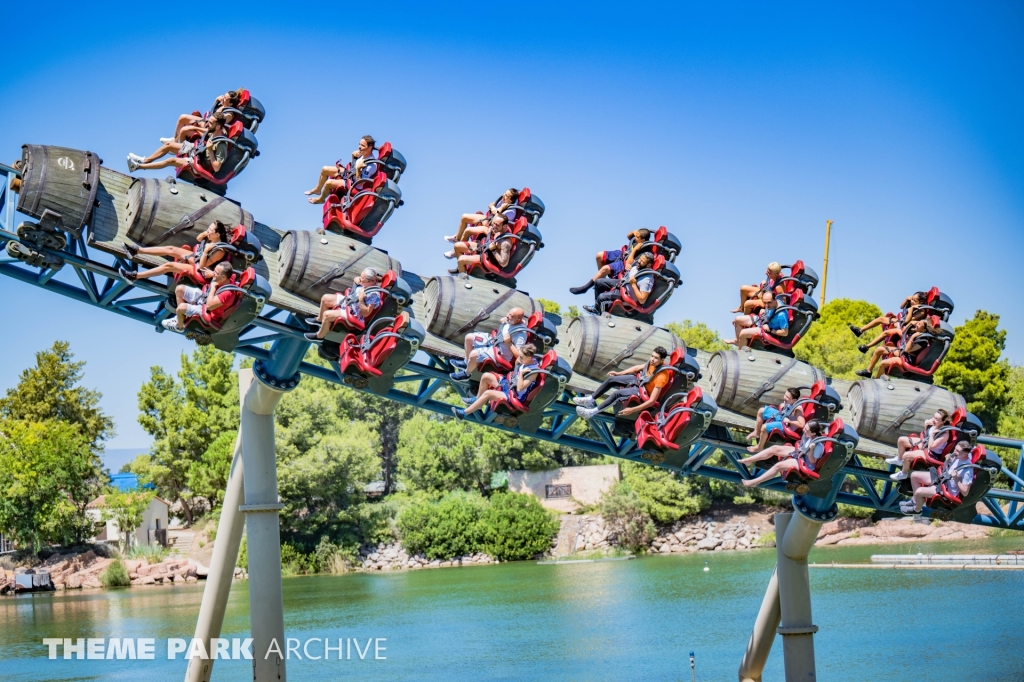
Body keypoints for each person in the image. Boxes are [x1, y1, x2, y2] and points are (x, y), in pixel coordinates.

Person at [574, 347, 671, 419]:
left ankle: (591, 413)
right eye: (652, 356)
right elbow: (637, 368)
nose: (652, 359)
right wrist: (618, 373)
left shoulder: (662, 376)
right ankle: (590, 399)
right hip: (638, 381)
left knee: (617, 394)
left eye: (656, 358)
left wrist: (632, 409)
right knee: (612, 379)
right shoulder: (652, 362)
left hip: (641, 391)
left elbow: (652, 401)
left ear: (662, 360)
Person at [119, 221, 230, 283]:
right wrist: (205, 233)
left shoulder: (219, 250)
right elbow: (199, 239)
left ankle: (135, 277)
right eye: (208, 228)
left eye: (211, 230)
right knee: (171, 249)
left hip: (200, 269)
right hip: (197, 257)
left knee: (169, 265)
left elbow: (202, 266)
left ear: (217, 234)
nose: (208, 231)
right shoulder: (211, 237)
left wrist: (206, 251)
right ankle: (136, 251)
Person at [451, 344, 540, 419]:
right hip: (509, 384)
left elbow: (520, 388)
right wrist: (518, 365)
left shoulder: (533, 372)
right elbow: (517, 365)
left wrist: (521, 374)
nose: (519, 358)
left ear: (529, 358)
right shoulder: (528, 360)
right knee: (486, 376)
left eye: (521, 357)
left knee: (488, 393)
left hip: (514, 395)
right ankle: (477, 400)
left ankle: (463, 414)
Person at [128, 114, 231, 175]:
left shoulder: (222, 144)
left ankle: (137, 167)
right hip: (196, 149)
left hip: (198, 162)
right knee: (168, 145)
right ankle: (144, 160)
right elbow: (206, 131)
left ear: (218, 127)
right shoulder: (215, 131)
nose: (208, 124)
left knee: (170, 160)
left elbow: (217, 168)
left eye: (211, 123)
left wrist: (210, 151)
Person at [450, 308, 528, 381]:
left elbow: (520, 356)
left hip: (500, 352)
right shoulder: (513, 320)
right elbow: (508, 321)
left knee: (474, 354)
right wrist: (505, 321)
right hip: (494, 340)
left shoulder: (520, 335)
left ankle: (466, 374)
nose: (508, 316)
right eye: (509, 313)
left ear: (518, 319)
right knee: (469, 337)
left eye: (511, 316)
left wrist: (509, 343)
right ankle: (466, 363)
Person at [305, 267, 383, 341]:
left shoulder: (374, 294)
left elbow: (366, 313)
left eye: (362, 278)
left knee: (327, 314)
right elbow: (357, 284)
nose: (360, 279)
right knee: (325, 298)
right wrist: (356, 279)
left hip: (353, 313)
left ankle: (319, 336)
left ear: (370, 281)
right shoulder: (366, 284)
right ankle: (319, 320)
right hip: (349, 302)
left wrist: (361, 299)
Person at [740, 421, 825, 487]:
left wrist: (812, 449)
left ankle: (754, 482)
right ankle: (749, 460)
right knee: (774, 448)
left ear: (814, 433)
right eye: (805, 428)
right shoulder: (807, 435)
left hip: (806, 462)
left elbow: (812, 461)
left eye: (807, 430)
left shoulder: (818, 446)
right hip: (801, 452)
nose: (804, 430)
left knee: (778, 466)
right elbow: (802, 445)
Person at [899, 440, 975, 514]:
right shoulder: (958, 457)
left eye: (958, 451)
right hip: (942, 477)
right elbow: (952, 467)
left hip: (945, 488)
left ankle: (916, 510)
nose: (955, 452)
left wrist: (956, 479)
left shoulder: (967, 471)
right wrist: (949, 461)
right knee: (914, 475)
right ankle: (915, 501)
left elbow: (965, 493)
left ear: (965, 454)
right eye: (955, 449)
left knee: (919, 491)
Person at [161, 262, 239, 332]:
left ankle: (179, 327)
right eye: (214, 271)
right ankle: (180, 318)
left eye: (216, 273)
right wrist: (213, 273)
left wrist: (213, 286)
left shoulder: (227, 294)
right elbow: (226, 271)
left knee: (180, 308)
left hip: (208, 311)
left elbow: (209, 306)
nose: (213, 273)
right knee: (179, 289)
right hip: (205, 296)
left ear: (223, 277)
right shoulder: (229, 276)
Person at [569, 229, 651, 295]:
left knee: (605, 269)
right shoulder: (636, 238)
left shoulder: (644, 252)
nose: (635, 237)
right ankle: (601, 281)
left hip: (624, 263)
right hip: (621, 254)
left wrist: (635, 249)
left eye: (637, 237)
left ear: (642, 240)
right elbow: (629, 236)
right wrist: (633, 232)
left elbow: (628, 263)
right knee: (599, 255)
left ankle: (586, 288)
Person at [305, 135, 379, 205]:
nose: (359, 147)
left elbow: (360, 183)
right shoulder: (362, 154)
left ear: (369, 148)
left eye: (362, 146)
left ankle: (321, 199)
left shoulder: (371, 166)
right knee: (325, 169)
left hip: (352, 184)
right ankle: (317, 189)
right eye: (359, 144)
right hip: (349, 174)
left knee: (328, 183)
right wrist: (353, 157)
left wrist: (358, 169)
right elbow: (353, 166)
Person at [854, 317, 935, 378]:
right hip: (902, 352)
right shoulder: (916, 331)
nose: (917, 324)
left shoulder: (923, 341)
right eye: (918, 322)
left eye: (919, 324)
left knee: (883, 363)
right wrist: (910, 324)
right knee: (879, 350)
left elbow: (907, 350)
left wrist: (913, 337)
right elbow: (903, 332)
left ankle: (876, 381)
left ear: (924, 329)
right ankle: (868, 371)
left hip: (907, 359)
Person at [888, 410, 953, 480]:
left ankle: (903, 473)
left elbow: (931, 447)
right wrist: (926, 425)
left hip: (931, 453)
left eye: (937, 419)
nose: (933, 420)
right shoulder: (935, 424)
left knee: (906, 455)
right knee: (901, 440)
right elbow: (925, 434)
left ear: (943, 422)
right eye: (934, 417)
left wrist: (932, 434)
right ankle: (899, 459)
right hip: (925, 443)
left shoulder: (944, 434)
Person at [586, 252, 656, 315]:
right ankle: (597, 308)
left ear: (648, 265)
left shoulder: (647, 279)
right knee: (598, 282)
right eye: (640, 259)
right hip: (623, 284)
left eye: (642, 261)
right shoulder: (638, 266)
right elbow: (629, 264)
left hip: (627, 295)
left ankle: (601, 313)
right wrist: (627, 267)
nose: (639, 261)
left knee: (601, 297)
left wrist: (633, 284)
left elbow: (642, 300)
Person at [445, 188, 521, 243]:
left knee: (467, 230)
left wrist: (499, 209)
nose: (503, 195)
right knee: (464, 217)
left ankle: (458, 250)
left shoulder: (511, 212)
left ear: (511, 200)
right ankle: (457, 238)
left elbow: (496, 221)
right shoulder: (503, 201)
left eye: (506, 195)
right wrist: (494, 209)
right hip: (488, 220)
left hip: (492, 228)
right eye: (505, 193)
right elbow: (490, 204)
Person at [746, 387, 805, 453]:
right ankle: (756, 432)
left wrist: (789, 421)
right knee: (761, 411)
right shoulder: (789, 402)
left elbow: (802, 424)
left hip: (786, 425)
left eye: (787, 397)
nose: (784, 397)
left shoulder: (797, 410)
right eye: (785, 395)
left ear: (794, 400)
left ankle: (760, 447)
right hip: (782, 416)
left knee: (764, 427)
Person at [848, 291, 926, 338]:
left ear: (921, 302)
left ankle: (866, 345)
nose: (912, 301)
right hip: (900, 322)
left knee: (883, 327)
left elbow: (906, 321)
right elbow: (901, 306)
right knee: (880, 319)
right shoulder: (913, 305)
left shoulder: (921, 312)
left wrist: (911, 309)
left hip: (905, 327)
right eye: (912, 299)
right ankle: (860, 331)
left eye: (914, 300)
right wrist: (906, 299)